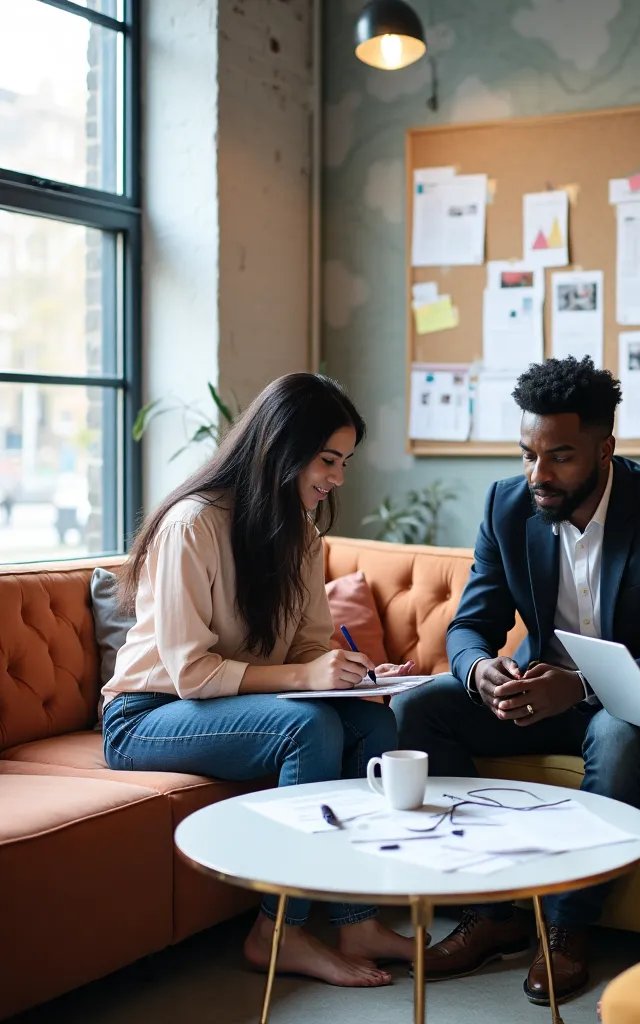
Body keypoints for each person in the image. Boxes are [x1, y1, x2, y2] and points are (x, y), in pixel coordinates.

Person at [392, 355, 640, 1005]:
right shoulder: (507, 504)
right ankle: (492, 913)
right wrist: (480, 670)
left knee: (617, 737)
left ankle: (568, 927)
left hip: (626, 702)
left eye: (560, 457)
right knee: (419, 712)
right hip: (535, 695)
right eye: (528, 454)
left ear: (604, 448)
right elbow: (471, 625)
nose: (538, 474)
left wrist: (578, 687)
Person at [102, 373, 419, 988]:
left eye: (344, 462)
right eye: (328, 460)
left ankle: (357, 921)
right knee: (307, 728)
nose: (337, 477)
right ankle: (278, 933)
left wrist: (351, 675)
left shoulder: (300, 534)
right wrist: (305, 674)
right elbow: (192, 673)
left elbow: (307, 646)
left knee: (374, 723)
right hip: (145, 715)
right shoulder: (192, 525)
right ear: (283, 449)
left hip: (231, 704)